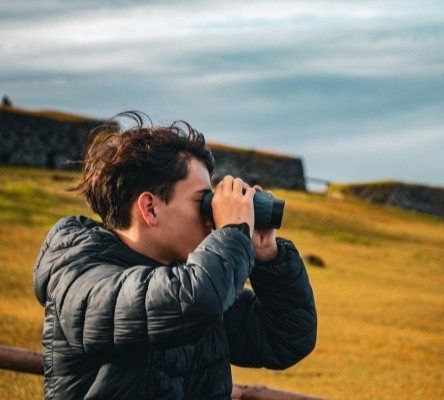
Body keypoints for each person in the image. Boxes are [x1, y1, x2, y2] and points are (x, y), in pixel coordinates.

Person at [32, 111, 317, 399]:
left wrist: (266, 255)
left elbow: (287, 338)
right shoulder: (81, 278)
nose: (212, 216)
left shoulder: (194, 280)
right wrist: (233, 231)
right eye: (202, 202)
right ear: (150, 208)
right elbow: (188, 299)